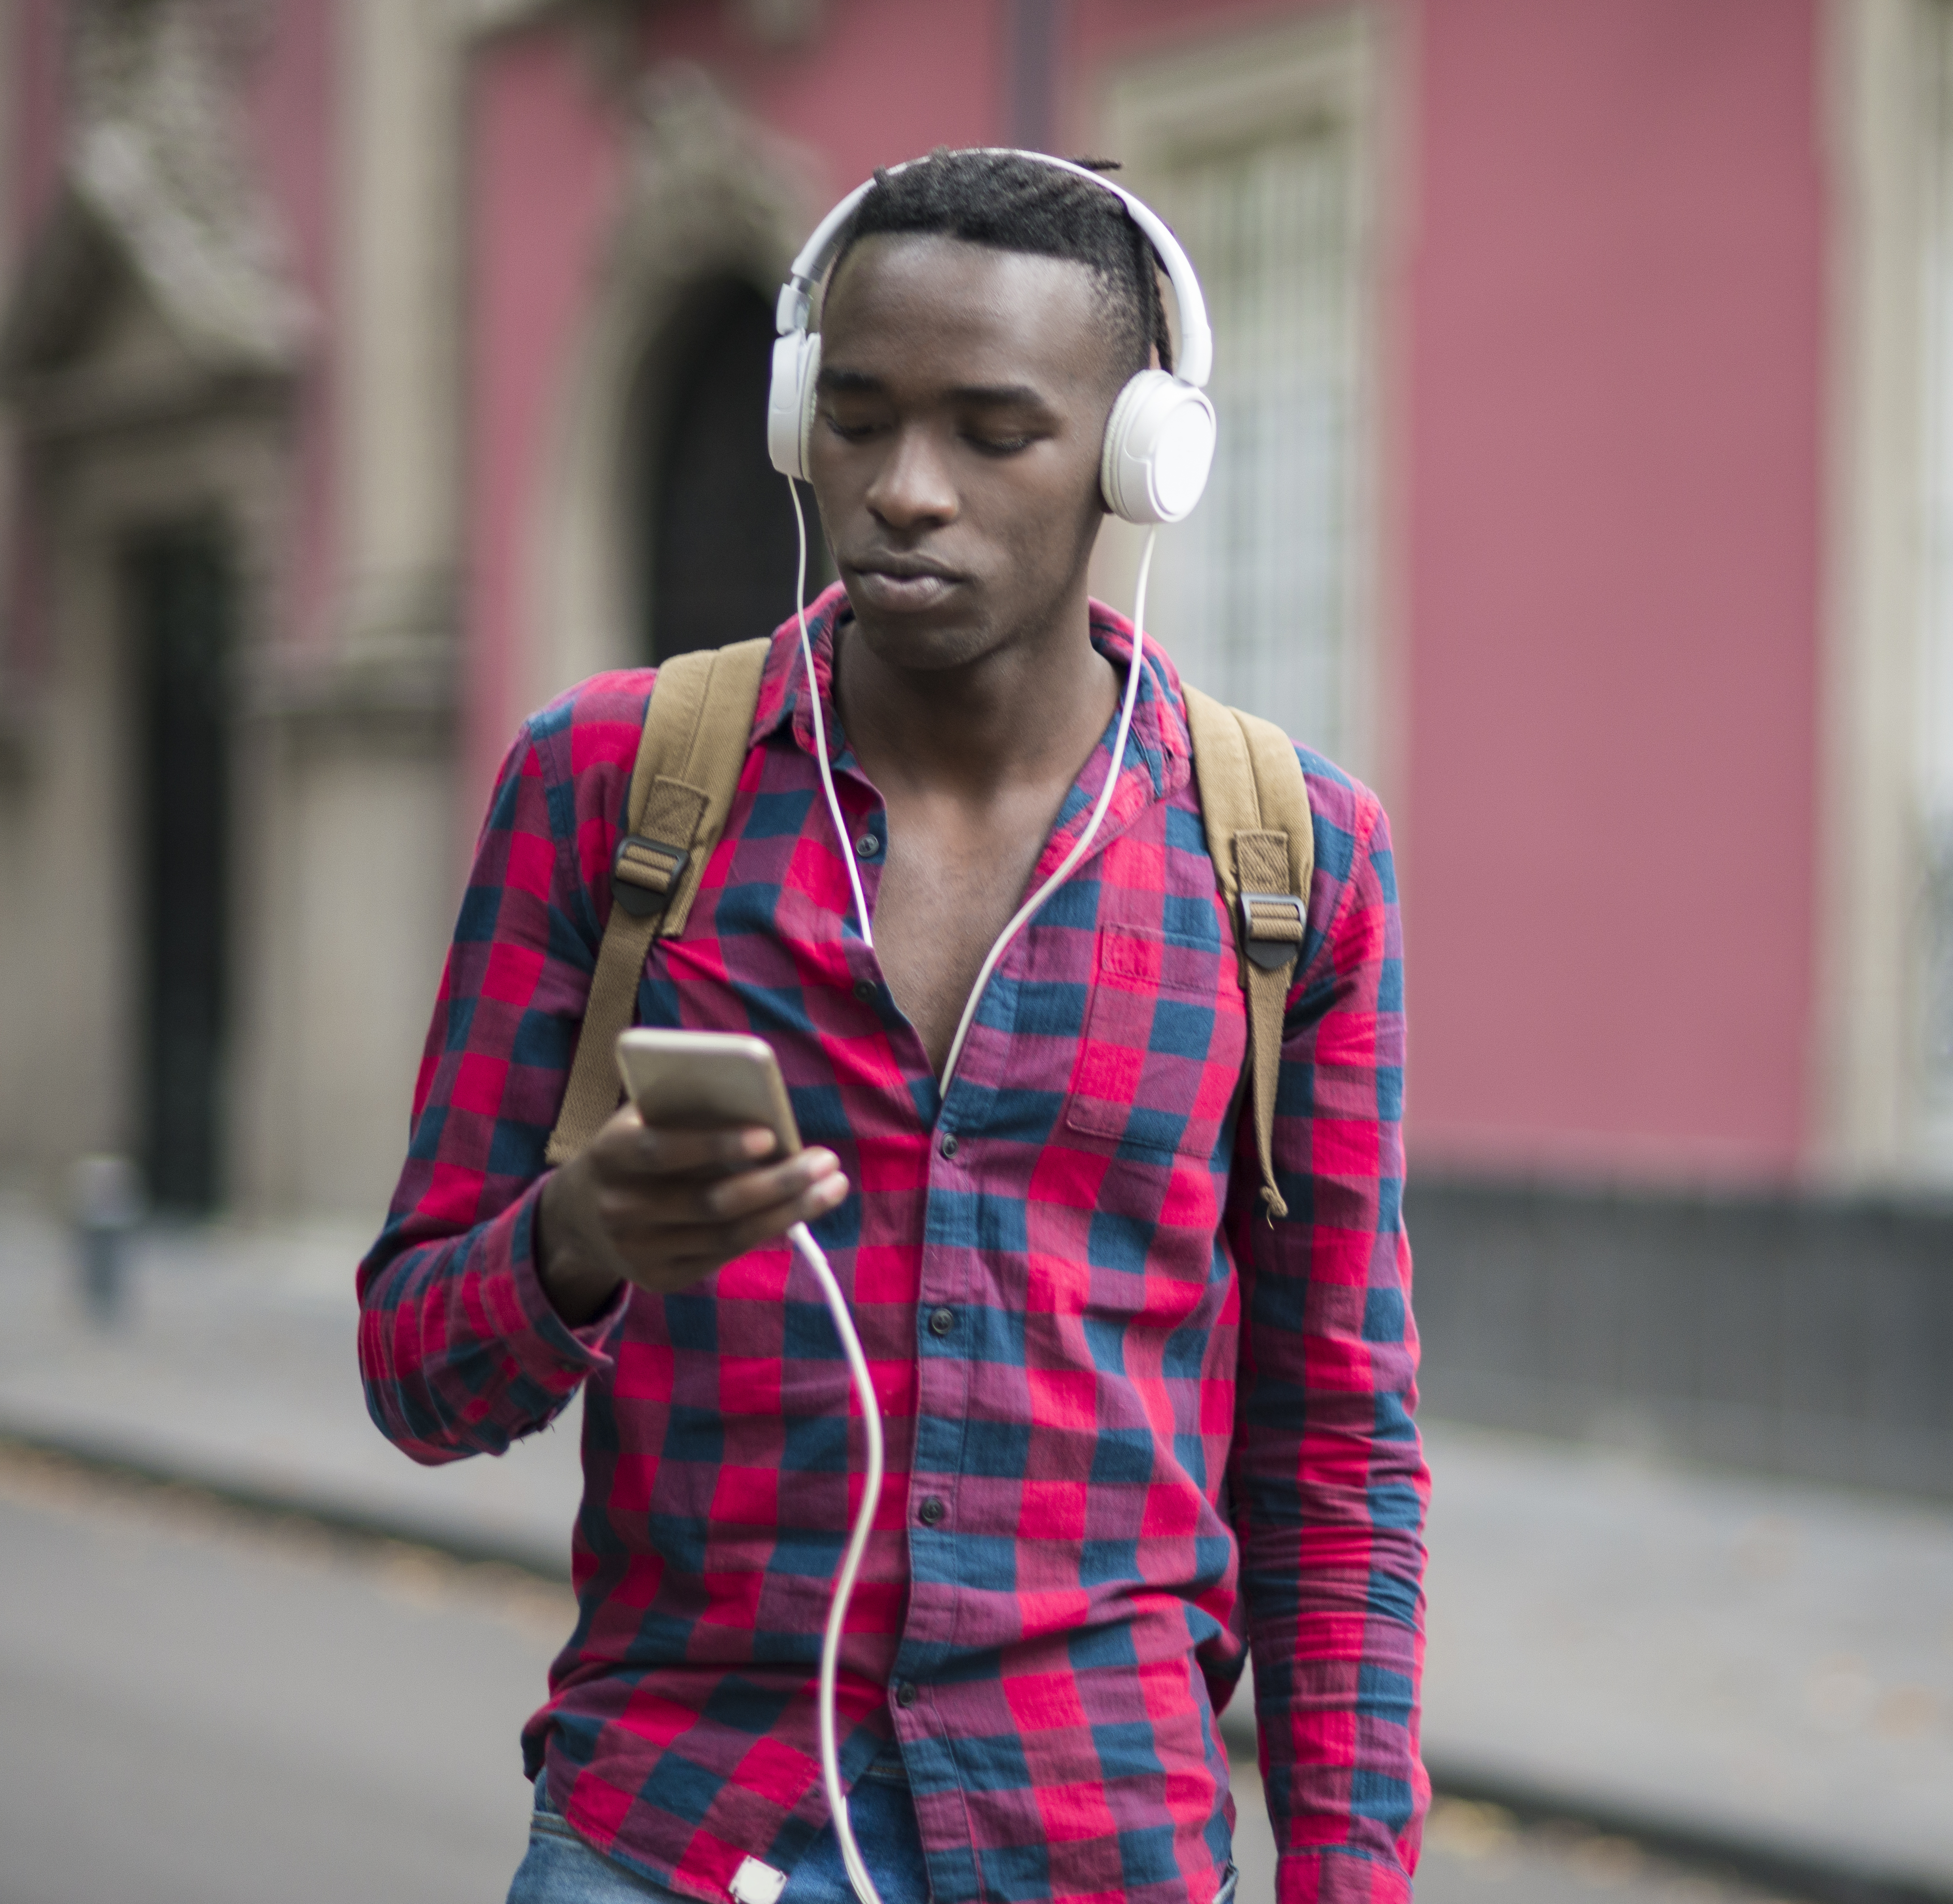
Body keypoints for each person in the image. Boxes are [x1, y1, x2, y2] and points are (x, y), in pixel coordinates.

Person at [356, 148, 1426, 1904]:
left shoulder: (1292, 864)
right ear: (800, 422)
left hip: (1101, 1842)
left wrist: (1350, 1880)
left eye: (993, 432)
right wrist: (575, 1243)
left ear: (1141, 460)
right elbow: (415, 1373)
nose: (905, 491)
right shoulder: (611, 787)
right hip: (676, 1835)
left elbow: (1338, 1458)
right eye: (855, 419)